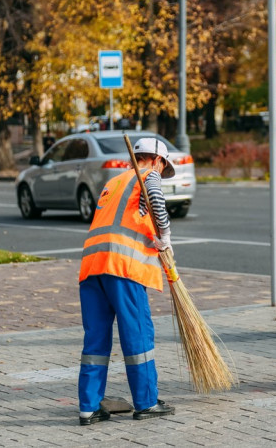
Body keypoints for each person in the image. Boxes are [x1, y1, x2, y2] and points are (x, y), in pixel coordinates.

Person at [77, 138, 176, 426]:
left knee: (96, 338)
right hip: (123, 266)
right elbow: (156, 200)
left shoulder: (117, 180)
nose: (161, 170)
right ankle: (146, 402)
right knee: (138, 333)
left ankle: (89, 407)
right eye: (162, 165)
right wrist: (165, 235)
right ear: (156, 160)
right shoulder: (149, 175)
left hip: (92, 267)